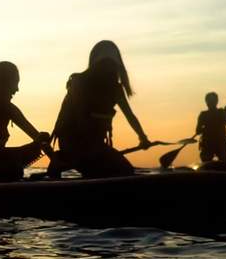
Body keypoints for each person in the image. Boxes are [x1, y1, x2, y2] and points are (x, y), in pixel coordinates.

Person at [47, 40, 151, 178]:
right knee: (113, 171)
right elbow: (79, 118)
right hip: (73, 144)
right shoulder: (79, 82)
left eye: (110, 64)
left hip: (95, 146)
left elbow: (130, 116)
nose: (108, 67)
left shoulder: (116, 89)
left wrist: (143, 138)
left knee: (126, 171)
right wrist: (92, 151)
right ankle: (64, 158)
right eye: (105, 63)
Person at [196, 91, 226, 163]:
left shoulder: (222, 112)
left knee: (225, 160)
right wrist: (206, 129)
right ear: (206, 102)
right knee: (206, 159)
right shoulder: (203, 115)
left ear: (216, 102)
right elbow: (198, 131)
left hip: (221, 143)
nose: (211, 103)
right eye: (210, 101)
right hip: (208, 144)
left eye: (213, 101)